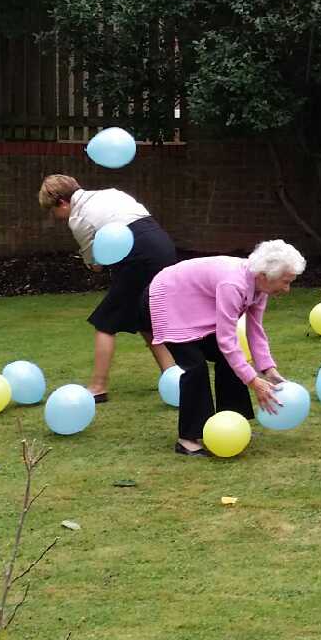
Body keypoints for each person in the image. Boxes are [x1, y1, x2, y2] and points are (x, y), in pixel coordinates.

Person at [147, 240, 304, 456]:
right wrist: (253, 381)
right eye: (285, 282)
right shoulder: (234, 284)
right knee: (195, 367)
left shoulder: (260, 288)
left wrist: (268, 369)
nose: (287, 289)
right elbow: (227, 338)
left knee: (229, 360)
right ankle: (188, 438)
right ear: (264, 276)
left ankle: (233, 421)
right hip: (169, 296)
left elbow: (255, 330)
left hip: (194, 301)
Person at [39, 174, 178, 403]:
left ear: (62, 202)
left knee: (105, 321)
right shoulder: (111, 193)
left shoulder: (78, 219)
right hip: (164, 247)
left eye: (53, 210)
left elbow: (95, 265)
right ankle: (171, 374)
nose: (56, 216)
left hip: (140, 256)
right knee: (144, 316)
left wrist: (97, 261)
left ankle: (98, 387)